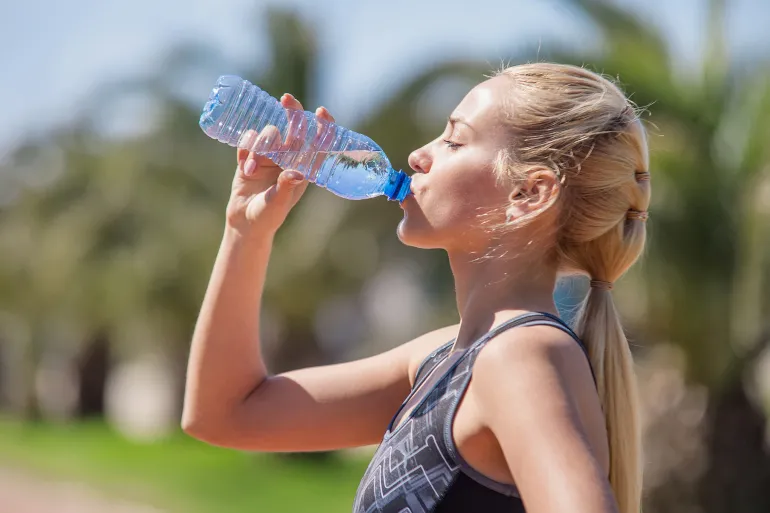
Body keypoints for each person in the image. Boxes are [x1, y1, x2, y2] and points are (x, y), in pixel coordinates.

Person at [182, 62, 651, 513]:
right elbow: (226, 414)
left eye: (453, 139)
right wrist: (246, 231)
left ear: (528, 194)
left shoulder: (521, 354)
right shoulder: (442, 360)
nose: (416, 156)